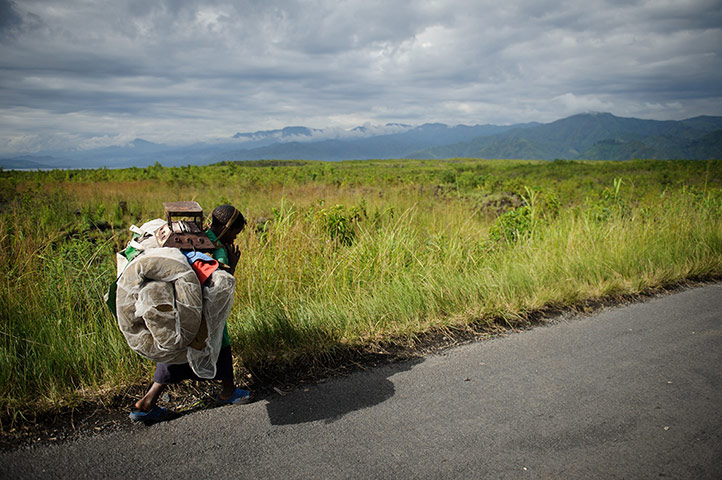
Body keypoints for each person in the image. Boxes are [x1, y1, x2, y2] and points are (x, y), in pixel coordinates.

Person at [129, 204, 252, 423]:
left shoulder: (195, 236)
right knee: (220, 342)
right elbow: (219, 287)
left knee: (176, 354)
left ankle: (146, 403)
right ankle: (228, 391)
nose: (234, 238)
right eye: (235, 232)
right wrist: (231, 266)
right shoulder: (218, 249)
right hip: (200, 311)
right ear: (227, 227)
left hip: (181, 306)